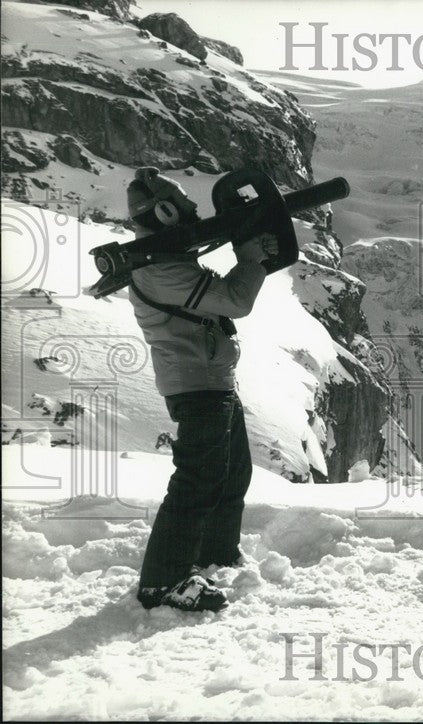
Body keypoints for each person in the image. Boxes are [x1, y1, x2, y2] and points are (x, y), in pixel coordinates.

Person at [125, 167, 277, 612]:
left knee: (231, 475)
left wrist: (252, 257)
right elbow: (234, 301)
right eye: (184, 207)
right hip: (196, 384)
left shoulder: (171, 261)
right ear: (166, 212)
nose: (193, 212)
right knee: (197, 482)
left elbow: (219, 294)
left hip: (212, 379)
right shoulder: (159, 270)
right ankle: (163, 581)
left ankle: (215, 554)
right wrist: (250, 260)